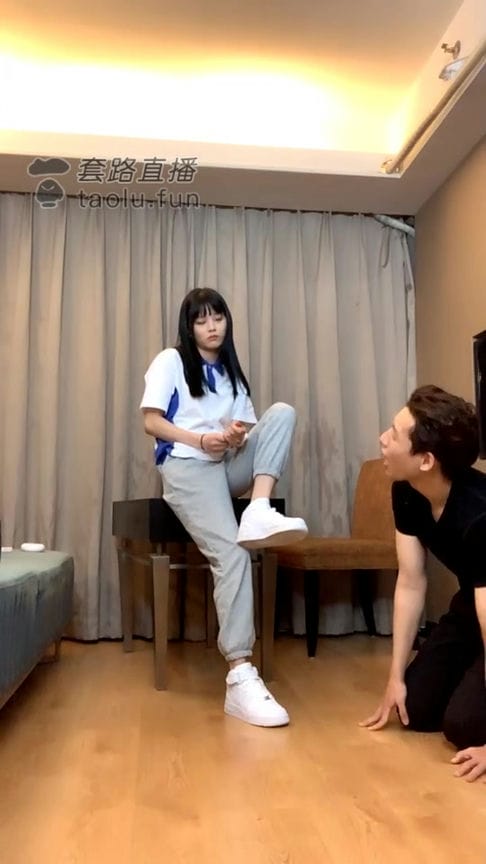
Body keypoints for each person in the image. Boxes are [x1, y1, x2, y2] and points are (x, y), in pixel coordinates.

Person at [140, 287, 308, 728]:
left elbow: (245, 426)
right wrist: (200, 439)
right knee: (233, 554)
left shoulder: (232, 370)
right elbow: (151, 421)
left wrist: (234, 436)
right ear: (189, 327)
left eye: (218, 318)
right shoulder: (171, 361)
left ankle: (257, 508)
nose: (211, 327)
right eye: (201, 320)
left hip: (224, 464)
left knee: (282, 412)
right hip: (186, 466)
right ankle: (239, 673)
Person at [360, 384, 486, 782]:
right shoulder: (407, 491)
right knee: (413, 708)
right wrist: (395, 678)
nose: (383, 439)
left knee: (464, 726)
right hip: (472, 606)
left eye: (395, 435)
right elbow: (411, 583)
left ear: (426, 460)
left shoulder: (479, 515)